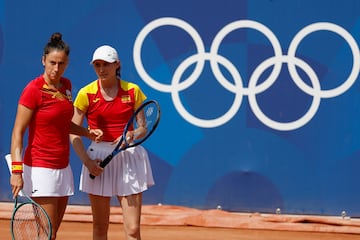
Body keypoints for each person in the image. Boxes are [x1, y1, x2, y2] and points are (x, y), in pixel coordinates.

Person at [9, 32, 103, 240]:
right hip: (41, 169)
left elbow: (62, 124)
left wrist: (86, 132)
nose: (56, 68)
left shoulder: (67, 87)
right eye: (52, 62)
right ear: (43, 60)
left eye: (61, 63)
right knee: (47, 235)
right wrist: (17, 171)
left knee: (51, 234)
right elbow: (18, 132)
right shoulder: (32, 90)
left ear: (67, 63)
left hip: (63, 168)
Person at [70, 45, 155, 240]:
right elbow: (73, 132)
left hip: (129, 158)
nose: (101, 69)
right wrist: (88, 162)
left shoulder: (133, 90)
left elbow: (143, 127)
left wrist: (132, 135)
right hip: (98, 159)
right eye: (97, 65)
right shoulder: (86, 93)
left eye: (106, 64)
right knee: (100, 228)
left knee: (133, 229)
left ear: (117, 65)